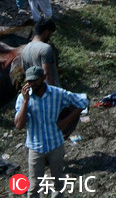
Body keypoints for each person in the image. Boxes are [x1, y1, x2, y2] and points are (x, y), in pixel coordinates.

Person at [14, 66, 88, 198]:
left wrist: (66, 121)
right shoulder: (23, 98)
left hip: (56, 145)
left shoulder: (57, 93)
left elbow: (83, 101)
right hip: (36, 148)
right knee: (34, 185)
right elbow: (19, 125)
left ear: (43, 78)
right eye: (29, 81)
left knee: (58, 182)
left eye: (35, 80)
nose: (32, 84)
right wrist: (25, 102)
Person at [19, 17, 59, 86]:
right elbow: (47, 75)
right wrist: (50, 92)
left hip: (34, 90)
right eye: (50, 34)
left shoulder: (24, 51)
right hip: (48, 90)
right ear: (46, 32)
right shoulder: (45, 48)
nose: (50, 37)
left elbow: (27, 74)